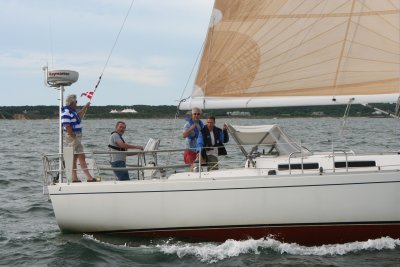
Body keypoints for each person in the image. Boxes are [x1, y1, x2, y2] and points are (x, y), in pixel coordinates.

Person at [61, 94, 96, 182]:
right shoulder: (66, 112)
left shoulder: (72, 111)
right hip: (73, 136)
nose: (77, 103)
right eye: (76, 101)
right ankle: (88, 177)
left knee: (76, 156)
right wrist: (72, 135)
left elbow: (78, 116)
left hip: (76, 135)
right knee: (78, 155)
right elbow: (66, 125)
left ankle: (76, 178)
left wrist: (85, 107)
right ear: (72, 102)